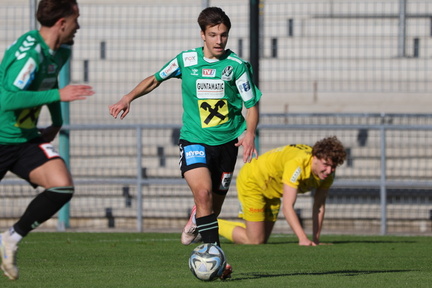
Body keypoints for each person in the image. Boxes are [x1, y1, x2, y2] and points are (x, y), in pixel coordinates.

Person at [109, 6, 261, 279]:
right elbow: (155, 79)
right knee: (202, 194)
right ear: (202, 34)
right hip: (194, 139)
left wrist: (249, 133)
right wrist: (127, 97)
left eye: (223, 35)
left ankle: (197, 219)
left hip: (227, 143)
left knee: (212, 208)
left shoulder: (236, 67)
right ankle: (213, 258)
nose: (219, 41)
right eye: (213, 34)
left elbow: (252, 105)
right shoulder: (186, 60)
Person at [0, 0, 94, 280]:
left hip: (25, 139)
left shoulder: (58, 53)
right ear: (62, 23)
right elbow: (6, 99)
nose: (78, 26)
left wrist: (56, 120)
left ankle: (10, 239)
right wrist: (58, 97)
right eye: (76, 20)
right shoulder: (31, 55)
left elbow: (50, 82)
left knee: (62, 186)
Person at [218, 136, 346, 246]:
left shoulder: (328, 176)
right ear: (315, 157)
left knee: (261, 239)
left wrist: (315, 240)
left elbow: (319, 206)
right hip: (253, 181)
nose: (329, 171)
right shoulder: (298, 164)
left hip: (272, 190)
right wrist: (303, 239)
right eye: (325, 164)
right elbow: (288, 207)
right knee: (254, 240)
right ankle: (206, 223)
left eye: (333, 167)